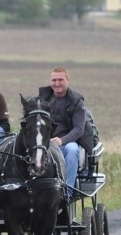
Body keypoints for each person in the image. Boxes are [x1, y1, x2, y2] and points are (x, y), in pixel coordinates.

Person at [38, 66, 94, 199]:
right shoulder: (43, 98)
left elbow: (79, 129)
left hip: (67, 143)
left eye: (60, 80)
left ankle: (67, 192)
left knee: (72, 149)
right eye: (54, 80)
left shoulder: (76, 101)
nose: (57, 83)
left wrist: (61, 140)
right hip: (46, 142)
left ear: (68, 80)